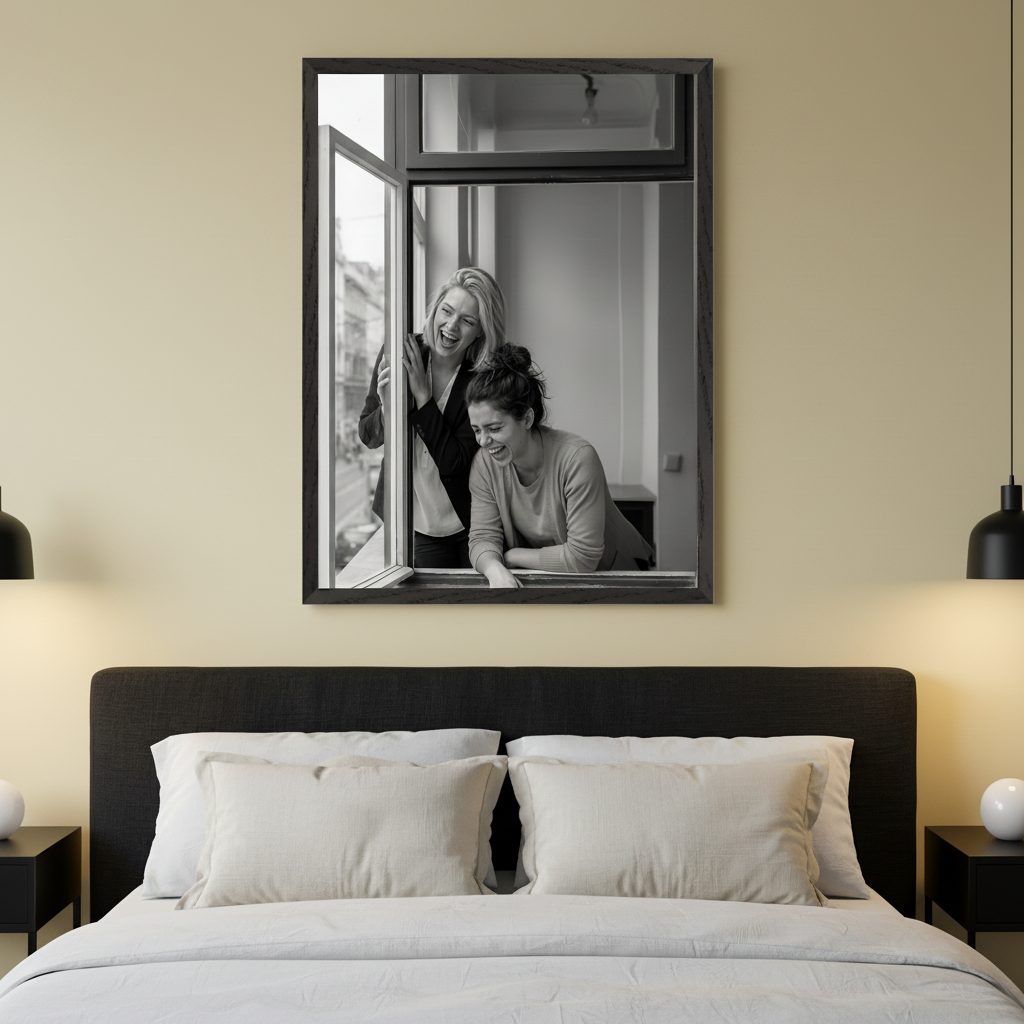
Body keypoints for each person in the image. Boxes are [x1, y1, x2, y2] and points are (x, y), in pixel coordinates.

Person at [466, 344, 655, 588]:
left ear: (527, 418)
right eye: (476, 430)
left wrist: (512, 556)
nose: (483, 441)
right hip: (558, 577)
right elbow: (482, 537)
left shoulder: (577, 458)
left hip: (618, 575)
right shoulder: (484, 464)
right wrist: (494, 569)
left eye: (494, 429)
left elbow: (583, 557)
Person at [358, 268, 506, 568]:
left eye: (467, 321)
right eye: (446, 311)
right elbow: (367, 434)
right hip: (413, 522)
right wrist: (388, 410)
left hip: (470, 521)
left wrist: (423, 399)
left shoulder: (482, 380)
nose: (451, 326)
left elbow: (455, 461)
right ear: (435, 309)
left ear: (480, 330)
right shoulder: (399, 353)